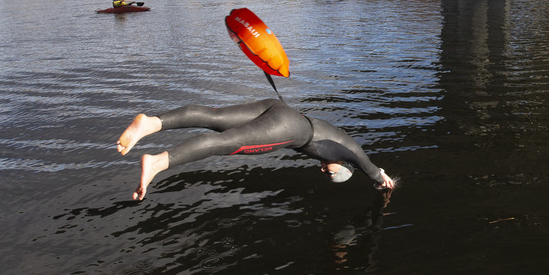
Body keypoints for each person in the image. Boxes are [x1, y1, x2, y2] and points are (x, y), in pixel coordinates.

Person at [116, 98, 395, 201]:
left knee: (214, 118)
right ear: (344, 166)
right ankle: (157, 162)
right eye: (331, 173)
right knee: (225, 143)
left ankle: (151, 123)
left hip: (279, 108)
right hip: (290, 130)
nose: (324, 170)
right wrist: (378, 176)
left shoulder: (336, 141)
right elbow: (362, 158)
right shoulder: (346, 152)